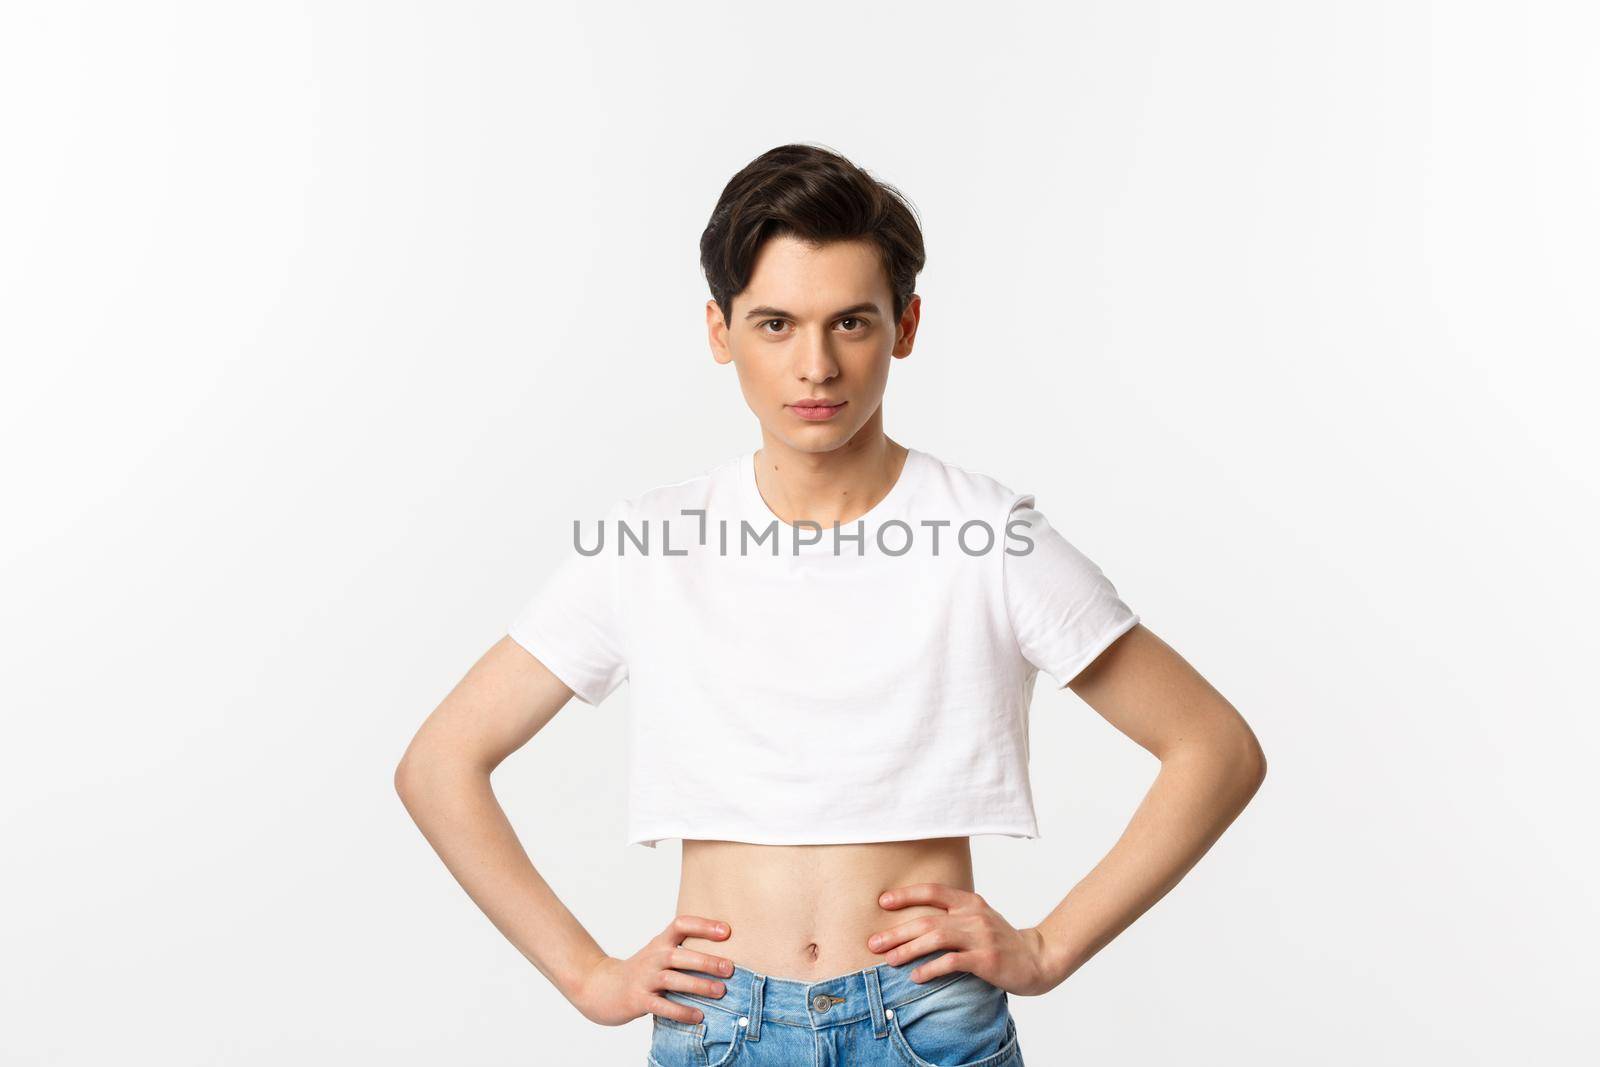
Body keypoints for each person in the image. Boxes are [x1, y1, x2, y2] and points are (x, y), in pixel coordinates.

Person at [395, 143, 1267, 1066]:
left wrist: (1049, 947)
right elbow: (441, 762)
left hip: (927, 1025)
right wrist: (586, 974)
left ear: (905, 325)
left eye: (850, 321)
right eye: (775, 323)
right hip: (722, 1024)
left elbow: (1215, 747)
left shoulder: (986, 536)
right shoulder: (650, 541)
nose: (815, 365)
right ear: (719, 330)